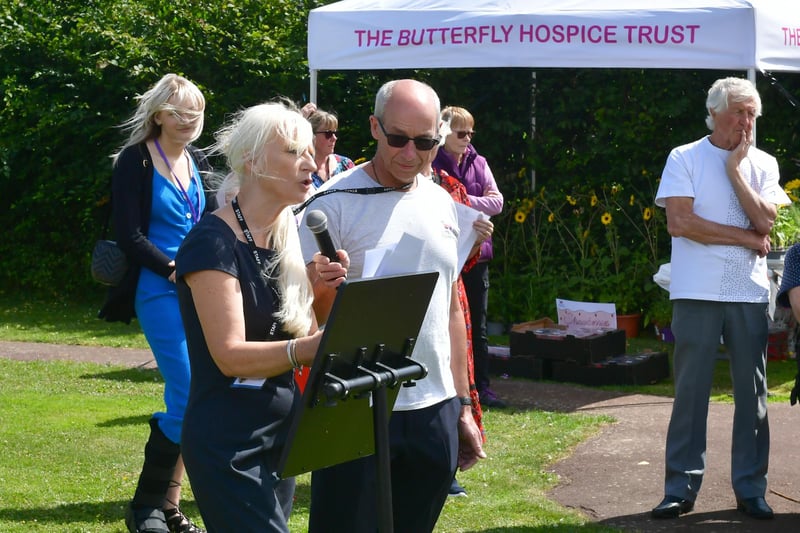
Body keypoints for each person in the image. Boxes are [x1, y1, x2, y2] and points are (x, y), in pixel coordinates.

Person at [299, 79, 486, 532]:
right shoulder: (329, 206)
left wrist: (462, 404)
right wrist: (323, 293)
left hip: (433, 404)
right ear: (374, 128)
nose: (409, 153)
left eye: (424, 142)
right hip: (353, 405)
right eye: (398, 138)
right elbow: (305, 321)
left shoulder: (443, 201)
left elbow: (451, 309)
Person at [174, 100, 324, 532]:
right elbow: (231, 357)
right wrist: (307, 349)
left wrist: (323, 290)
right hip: (228, 443)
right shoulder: (212, 242)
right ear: (253, 160)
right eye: (295, 151)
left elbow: (304, 331)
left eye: (310, 152)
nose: (310, 163)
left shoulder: (285, 237)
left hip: (280, 433)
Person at [651, 76, 790, 521]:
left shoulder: (763, 163)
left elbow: (766, 224)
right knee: (691, 391)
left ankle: (751, 489)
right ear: (714, 113)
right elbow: (680, 222)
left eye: (752, 112)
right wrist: (745, 239)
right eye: (739, 111)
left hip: (748, 293)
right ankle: (680, 488)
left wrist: (735, 170)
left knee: (753, 393)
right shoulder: (684, 156)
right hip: (694, 290)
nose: (746, 121)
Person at [98, 73, 213, 533]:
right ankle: (145, 505)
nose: (187, 120)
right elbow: (129, 234)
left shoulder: (198, 158)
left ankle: (168, 505)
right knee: (187, 392)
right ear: (158, 114)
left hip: (202, 290)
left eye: (195, 113)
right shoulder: (135, 161)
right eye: (178, 112)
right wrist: (173, 269)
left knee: (198, 395)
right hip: (160, 289)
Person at [432, 105, 505, 409]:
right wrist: (470, 202)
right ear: (444, 132)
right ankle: (450, 386)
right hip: (444, 255)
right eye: (461, 132)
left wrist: (460, 198)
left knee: (480, 326)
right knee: (445, 323)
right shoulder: (431, 163)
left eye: (470, 132)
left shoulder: (479, 161)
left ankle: (483, 388)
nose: (467, 138)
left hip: (477, 255)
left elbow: (497, 202)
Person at [300, 102, 355, 188]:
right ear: (311, 135)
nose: (334, 138)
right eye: (328, 134)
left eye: (335, 133)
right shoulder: (300, 168)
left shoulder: (346, 165)